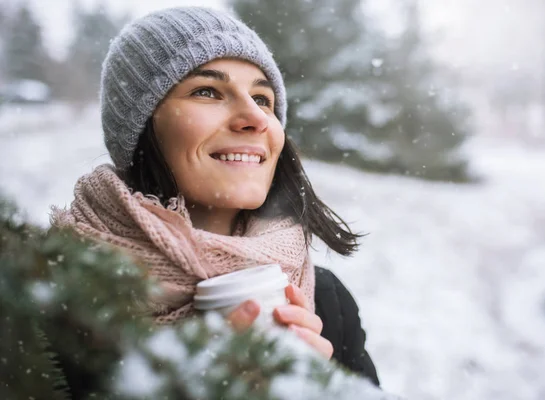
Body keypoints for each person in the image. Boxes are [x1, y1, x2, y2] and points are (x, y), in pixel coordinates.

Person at [51, 6, 379, 386]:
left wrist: (321, 389)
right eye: (207, 91)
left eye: (262, 99)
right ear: (140, 127)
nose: (255, 118)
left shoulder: (327, 303)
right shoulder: (46, 300)